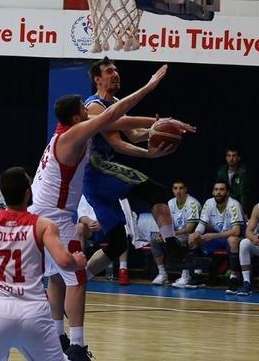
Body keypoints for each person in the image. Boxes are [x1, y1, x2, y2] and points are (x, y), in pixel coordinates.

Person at [29, 63, 173, 358]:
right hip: (54, 219)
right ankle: (78, 347)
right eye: (83, 108)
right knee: (77, 277)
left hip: (40, 215)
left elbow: (119, 123)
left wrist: (157, 124)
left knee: (56, 277)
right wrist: (149, 87)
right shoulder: (73, 135)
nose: (88, 109)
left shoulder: (61, 135)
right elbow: (111, 117)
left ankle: (57, 338)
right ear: (75, 117)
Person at [81, 58, 195, 284]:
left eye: (117, 70)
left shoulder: (114, 101)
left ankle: (78, 279)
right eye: (109, 71)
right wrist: (148, 154)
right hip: (97, 170)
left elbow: (133, 134)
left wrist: (155, 131)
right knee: (154, 191)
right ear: (97, 79)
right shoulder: (95, 105)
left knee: (117, 244)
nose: (116, 74)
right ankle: (171, 246)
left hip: (96, 180)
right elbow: (117, 144)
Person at [0, 167, 87, 361]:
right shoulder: (44, 224)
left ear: (2, 193)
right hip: (33, 310)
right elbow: (64, 261)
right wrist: (77, 262)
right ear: (28, 193)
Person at [187, 180, 244, 294]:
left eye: (222, 190)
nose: (218, 192)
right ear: (213, 192)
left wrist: (214, 235)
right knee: (193, 238)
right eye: (216, 189)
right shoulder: (209, 203)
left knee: (232, 240)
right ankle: (197, 274)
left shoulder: (234, 205)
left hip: (236, 237)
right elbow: (202, 224)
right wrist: (197, 233)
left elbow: (236, 231)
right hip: (218, 237)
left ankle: (233, 278)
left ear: (227, 193)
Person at [151, 180, 201, 286]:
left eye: (181, 188)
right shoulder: (170, 203)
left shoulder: (193, 203)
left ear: (186, 189)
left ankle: (185, 276)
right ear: (172, 190)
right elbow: (165, 223)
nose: (178, 191)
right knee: (154, 239)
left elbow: (189, 229)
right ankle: (162, 274)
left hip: (190, 235)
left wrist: (170, 234)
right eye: (175, 188)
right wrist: (163, 233)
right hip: (174, 233)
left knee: (181, 241)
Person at [215, 146, 252, 214]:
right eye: (229, 156)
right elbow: (218, 189)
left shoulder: (243, 172)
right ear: (226, 158)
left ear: (238, 158)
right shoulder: (221, 171)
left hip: (237, 206)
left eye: (234, 156)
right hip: (224, 205)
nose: (231, 159)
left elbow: (244, 195)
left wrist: (244, 212)